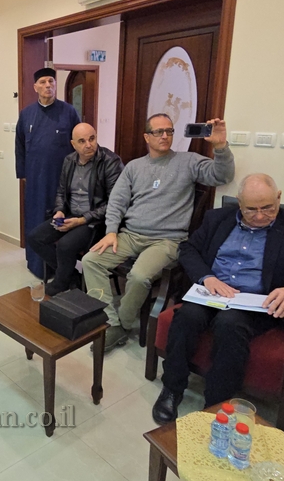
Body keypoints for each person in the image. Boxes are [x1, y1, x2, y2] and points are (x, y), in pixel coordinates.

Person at [152, 174, 284, 424]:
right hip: (212, 293)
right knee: (187, 316)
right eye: (251, 209)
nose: (260, 216)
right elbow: (188, 249)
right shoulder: (217, 218)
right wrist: (207, 277)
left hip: (254, 303)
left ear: (279, 198)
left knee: (230, 323)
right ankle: (172, 388)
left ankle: (216, 404)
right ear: (239, 203)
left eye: (268, 208)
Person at [82, 114, 234, 352]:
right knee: (91, 260)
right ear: (147, 137)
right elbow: (117, 202)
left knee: (139, 276)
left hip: (166, 240)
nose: (164, 136)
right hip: (131, 234)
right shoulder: (134, 167)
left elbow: (222, 175)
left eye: (169, 131)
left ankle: (121, 324)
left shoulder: (188, 161)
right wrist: (111, 231)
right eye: (158, 132)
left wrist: (220, 146)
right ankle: (110, 321)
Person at [26, 122, 123, 297]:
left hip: (95, 221)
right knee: (35, 238)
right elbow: (61, 191)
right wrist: (59, 210)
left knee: (65, 245)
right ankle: (71, 276)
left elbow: (114, 203)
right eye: (82, 141)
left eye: (92, 139)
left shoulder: (110, 161)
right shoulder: (69, 160)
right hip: (70, 214)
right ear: (73, 144)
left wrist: (81, 220)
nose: (88, 145)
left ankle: (60, 283)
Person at [16, 67, 81, 277]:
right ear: (35, 87)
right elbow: (19, 146)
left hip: (61, 180)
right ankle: (36, 264)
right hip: (35, 181)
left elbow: (79, 144)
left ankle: (60, 268)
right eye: (43, 82)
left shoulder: (69, 112)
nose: (47, 86)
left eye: (51, 81)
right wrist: (23, 174)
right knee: (35, 220)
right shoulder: (26, 114)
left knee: (58, 221)